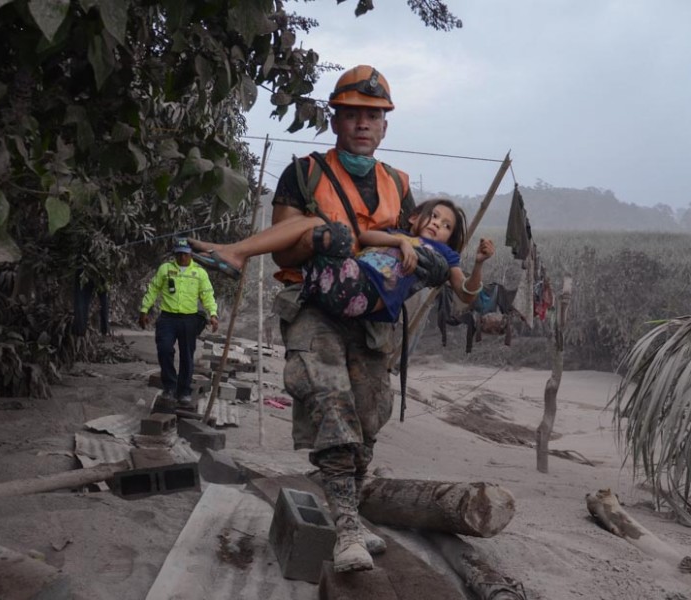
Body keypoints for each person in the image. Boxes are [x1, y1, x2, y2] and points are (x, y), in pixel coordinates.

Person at [269, 65, 489, 573]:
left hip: (373, 318)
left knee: (369, 413)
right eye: (353, 115)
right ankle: (345, 525)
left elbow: (413, 249)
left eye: (374, 116)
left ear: (385, 127)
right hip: (314, 303)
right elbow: (283, 246)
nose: (363, 124)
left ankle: (352, 512)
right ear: (336, 119)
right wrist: (318, 239)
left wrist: (436, 262)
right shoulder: (303, 172)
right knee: (330, 402)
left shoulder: (398, 184)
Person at [190, 198, 494, 323]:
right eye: (435, 217)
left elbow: (466, 293)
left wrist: (478, 263)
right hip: (341, 279)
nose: (438, 225)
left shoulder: (444, 255)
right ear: (414, 217)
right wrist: (401, 240)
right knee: (317, 227)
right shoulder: (398, 235)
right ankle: (234, 251)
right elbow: (365, 237)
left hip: (362, 294)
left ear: (450, 238)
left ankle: (236, 252)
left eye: (446, 226)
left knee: (319, 227)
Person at [138, 237, 220, 408]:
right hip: (167, 318)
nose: (182, 257)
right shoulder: (165, 269)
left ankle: (184, 391)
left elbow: (207, 294)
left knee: (187, 356)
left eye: (185, 254)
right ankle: (169, 387)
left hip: (188, 320)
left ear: (191, 254)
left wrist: (213, 314)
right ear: (175, 254)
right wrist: (144, 309)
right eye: (179, 254)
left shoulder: (199, 273)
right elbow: (153, 289)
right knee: (164, 349)